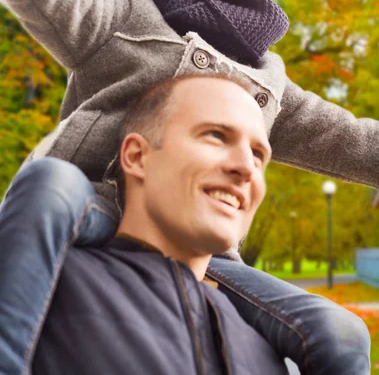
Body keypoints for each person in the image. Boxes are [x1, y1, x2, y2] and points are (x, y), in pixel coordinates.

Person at [0, 0, 374, 375]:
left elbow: (346, 137)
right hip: (93, 203)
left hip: (210, 250)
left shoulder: (265, 76)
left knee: (341, 331)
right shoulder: (122, 13)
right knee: (47, 184)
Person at [31, 74, 291, 374]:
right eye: (216, 136)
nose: (246, 167)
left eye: (258, 155)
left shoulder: (266, 347)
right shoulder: (45, 289)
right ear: (137, 156)